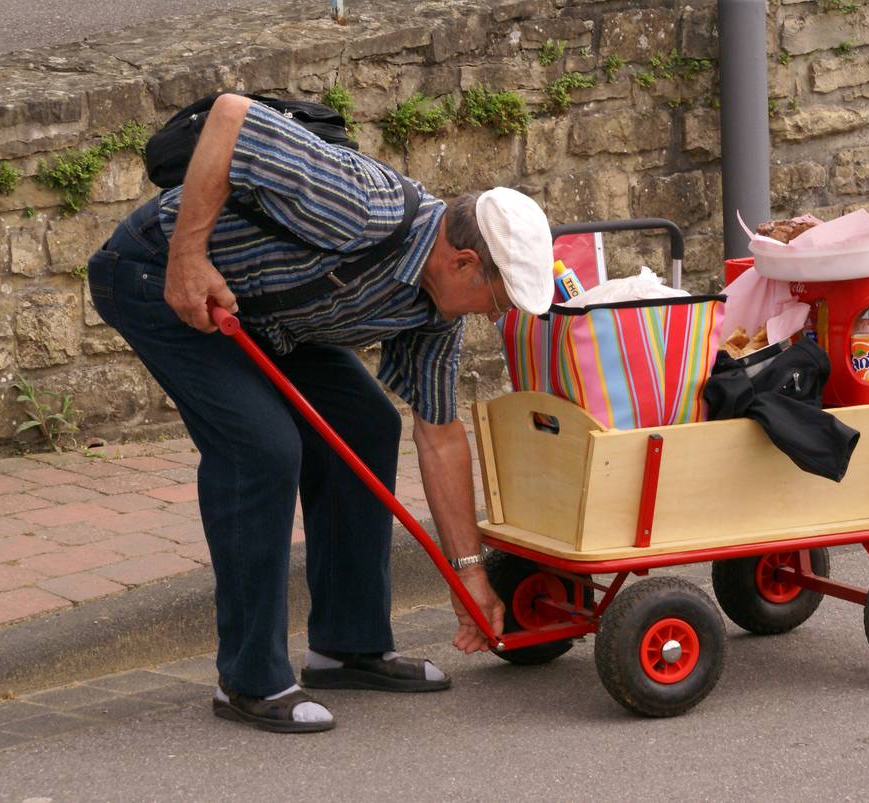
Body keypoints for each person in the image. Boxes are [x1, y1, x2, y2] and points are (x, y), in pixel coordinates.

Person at [86, 93, 555, 733]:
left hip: (266, 313)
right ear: (464, 261)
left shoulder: (434, 313)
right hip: (154, 276)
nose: (495, 316)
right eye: (498, 299)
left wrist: (467, 577)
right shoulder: (361, 203)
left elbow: (441, 436)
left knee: (366, 425)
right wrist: (188, 259)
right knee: (261, 448)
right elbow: (230, 116)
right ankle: (248, 681)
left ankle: (347, 645)